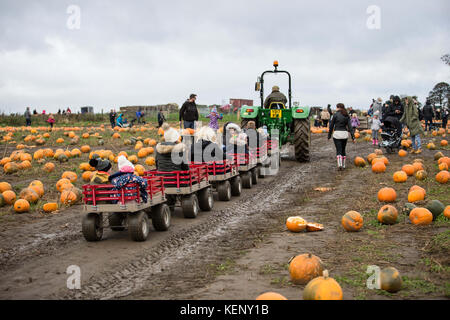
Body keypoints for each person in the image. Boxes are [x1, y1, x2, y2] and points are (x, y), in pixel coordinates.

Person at [327, 103, 355, 170]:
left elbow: (331, 126)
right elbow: (350, 127)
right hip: (344, 134)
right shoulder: (346, 115)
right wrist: (353, 137)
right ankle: (344, 165)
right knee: (343, 149)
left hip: (337, 134)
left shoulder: (335, 115)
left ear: (338, 107)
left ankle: (339, 165)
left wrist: (329, 136)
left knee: (338, 149)